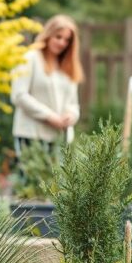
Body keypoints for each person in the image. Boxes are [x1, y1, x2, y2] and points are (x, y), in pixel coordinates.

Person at [10, 15, 83, 159]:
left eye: (67, 40)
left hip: (60, 138)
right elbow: (19, 95)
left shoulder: (68, 66)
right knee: (33, 181)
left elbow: (73, 103)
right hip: (31, 134)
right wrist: (50, 117)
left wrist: (71, 116)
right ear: (48, 35)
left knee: (59, 181)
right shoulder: (29, 58)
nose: (62, 43)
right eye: (58, 37)